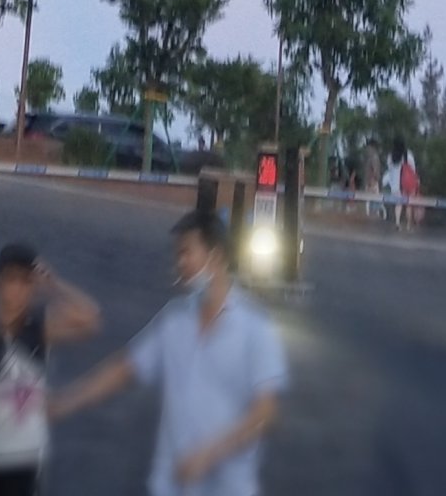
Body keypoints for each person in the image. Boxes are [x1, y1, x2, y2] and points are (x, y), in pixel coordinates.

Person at [52, 211, 285, 496]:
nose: (179, 263)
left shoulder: (254, 326)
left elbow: (265, 412)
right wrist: (65, 401)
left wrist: (209, 455)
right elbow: (125, 368)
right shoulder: (174, 320)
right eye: (177, 255)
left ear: (216, 255)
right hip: (171, 485)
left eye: (186, 253)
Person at [0, 242, 102, 496]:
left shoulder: (42, 328)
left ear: (34, 286)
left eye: (26, 282)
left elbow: (91, 320)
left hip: (26, 460)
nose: (18, 290)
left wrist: (54, 285)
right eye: (12, 280)